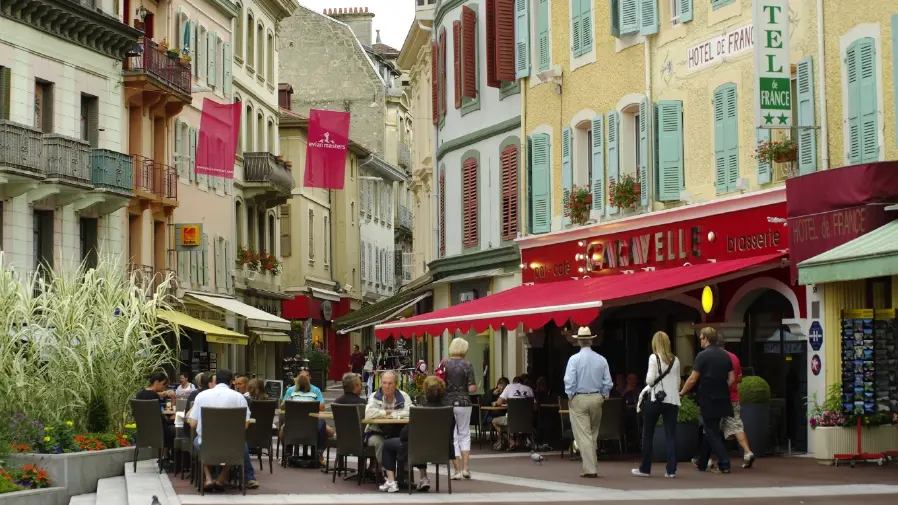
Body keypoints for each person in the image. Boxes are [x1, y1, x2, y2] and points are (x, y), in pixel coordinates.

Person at [379, 376, 455, 493]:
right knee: (421, 442)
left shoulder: (419, 412)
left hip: (418, 449)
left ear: (425, 392)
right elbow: (451, 432)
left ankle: (391, 481)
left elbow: (404, 435)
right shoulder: (449, 411)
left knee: (388, 444)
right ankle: (423, 478)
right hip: (442, 449)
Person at [187, 369, 258, 491]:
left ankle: (208, 478)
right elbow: (245, 425)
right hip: (231, 444)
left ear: (215, 381)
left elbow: (193, 424)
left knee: (197, 443)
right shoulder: (239, 397)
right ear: (231, 382)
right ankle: (222, 478)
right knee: (238, 444)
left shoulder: (202, 396)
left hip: (206, 443)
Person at [679, 327, 735, 474]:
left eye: (701, 339)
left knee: (711, 431)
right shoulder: (725, 356)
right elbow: (732, 378)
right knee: (711, 429)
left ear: (707, 339)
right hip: (723, 398)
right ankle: (702, 463)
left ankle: (724, 463)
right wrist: (722, 387)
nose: (700, 341)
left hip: (708, 398)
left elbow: (693, 379)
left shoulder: (702, 356)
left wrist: (682, 392)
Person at [563, 327, 613, 478]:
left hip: (579, 398)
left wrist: (570, 395)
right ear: (591, 340)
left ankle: (590, 468)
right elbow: (608, 382)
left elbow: (569, 380)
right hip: (596, 397)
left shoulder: (574, 359)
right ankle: (592, 464)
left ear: (579, 341)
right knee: (592, 433)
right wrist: (602, 394)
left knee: (584, 435)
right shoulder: (601, 359)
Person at [632, 331, 681, 478]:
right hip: (672, 400)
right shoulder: (676, 360)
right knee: (671, 435)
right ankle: (671, 470)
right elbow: (678, 382)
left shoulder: (654, 358)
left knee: (648, 434)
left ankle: (645, 468)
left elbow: (649, 380)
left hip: (656, 399)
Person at [716, 337, 756, 469]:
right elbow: (739, 378)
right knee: (737, 426)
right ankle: (748, 452)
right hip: (733, 397)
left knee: (711, 428)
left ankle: (708, 458)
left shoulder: (716, 358)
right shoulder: (734, 357)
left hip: (719, 398)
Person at [365, 370, 412, 469]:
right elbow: (368, 413)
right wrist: (386, 412)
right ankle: (386, 472)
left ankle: (404, 472)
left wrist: (395, 414)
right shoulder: (374, 396)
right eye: (384, 383)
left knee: (405, 442)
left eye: (390, 383)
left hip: (398, 432)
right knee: (381, 443)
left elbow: (411, 411)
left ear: (396, 384)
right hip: (376, 432)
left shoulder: (404, 396)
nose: (387, 386)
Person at [445, 337, 477, 480]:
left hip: (448, 403)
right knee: (464, 433)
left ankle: (456, 470)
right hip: (464, 403)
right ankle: (466, 468)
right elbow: (472, 388)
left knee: (452, 436)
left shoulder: (445, 364)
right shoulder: (467, 364)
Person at [282, 372, 333, 463]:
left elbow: (283, 406)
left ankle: (288, 453)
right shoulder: (309, 394)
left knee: (283, 429)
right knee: (324, 426)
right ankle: (318, 452)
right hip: (311, 424)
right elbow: (322, 407)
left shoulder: (311, 391)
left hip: (295, 424)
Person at [135, 371, 177, 458]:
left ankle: (162, 458)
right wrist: (170, 419)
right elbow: (158, 417)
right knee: (175, 430)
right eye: (163, 384)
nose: (163, 387)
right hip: (158, 431)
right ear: (156, 382)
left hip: (143, 431)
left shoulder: (139, 394)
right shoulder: (154, 395)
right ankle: (167, 457)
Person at [493, 375, 535, 451]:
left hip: (512, 420)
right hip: (527, 421)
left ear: (513, 382)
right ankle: (521, 440)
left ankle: (511, 441)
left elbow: (499, 402)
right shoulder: (529, 389)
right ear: (522, 383)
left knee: (494, 421)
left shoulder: (509, 387)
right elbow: (535, 407)